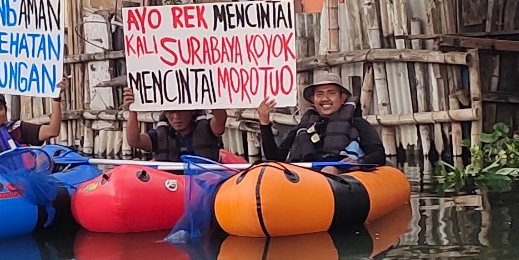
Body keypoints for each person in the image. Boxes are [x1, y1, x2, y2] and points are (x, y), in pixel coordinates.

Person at [252, 72, 387, 168]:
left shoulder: (358, 124)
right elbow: (275, 158)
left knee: (329, 170)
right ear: (313, 100)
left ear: (343, 98)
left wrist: (359, 163)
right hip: (304, 176)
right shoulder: (303, 127)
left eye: (331, 93)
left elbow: (378, 155)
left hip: (338, 175)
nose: (325, 99)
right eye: (319, 94)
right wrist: (265, 123)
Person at [124, 87, 227, 162]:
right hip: (169, 185)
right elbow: (134, 141)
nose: (176, 117)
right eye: (171, 112)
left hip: (205, 182)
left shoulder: (208, 128)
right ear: (165, 114)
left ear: (191, 111)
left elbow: (221, 119)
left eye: (181, 111)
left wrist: (214, 95)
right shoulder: (159, 135)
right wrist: (133, 109)